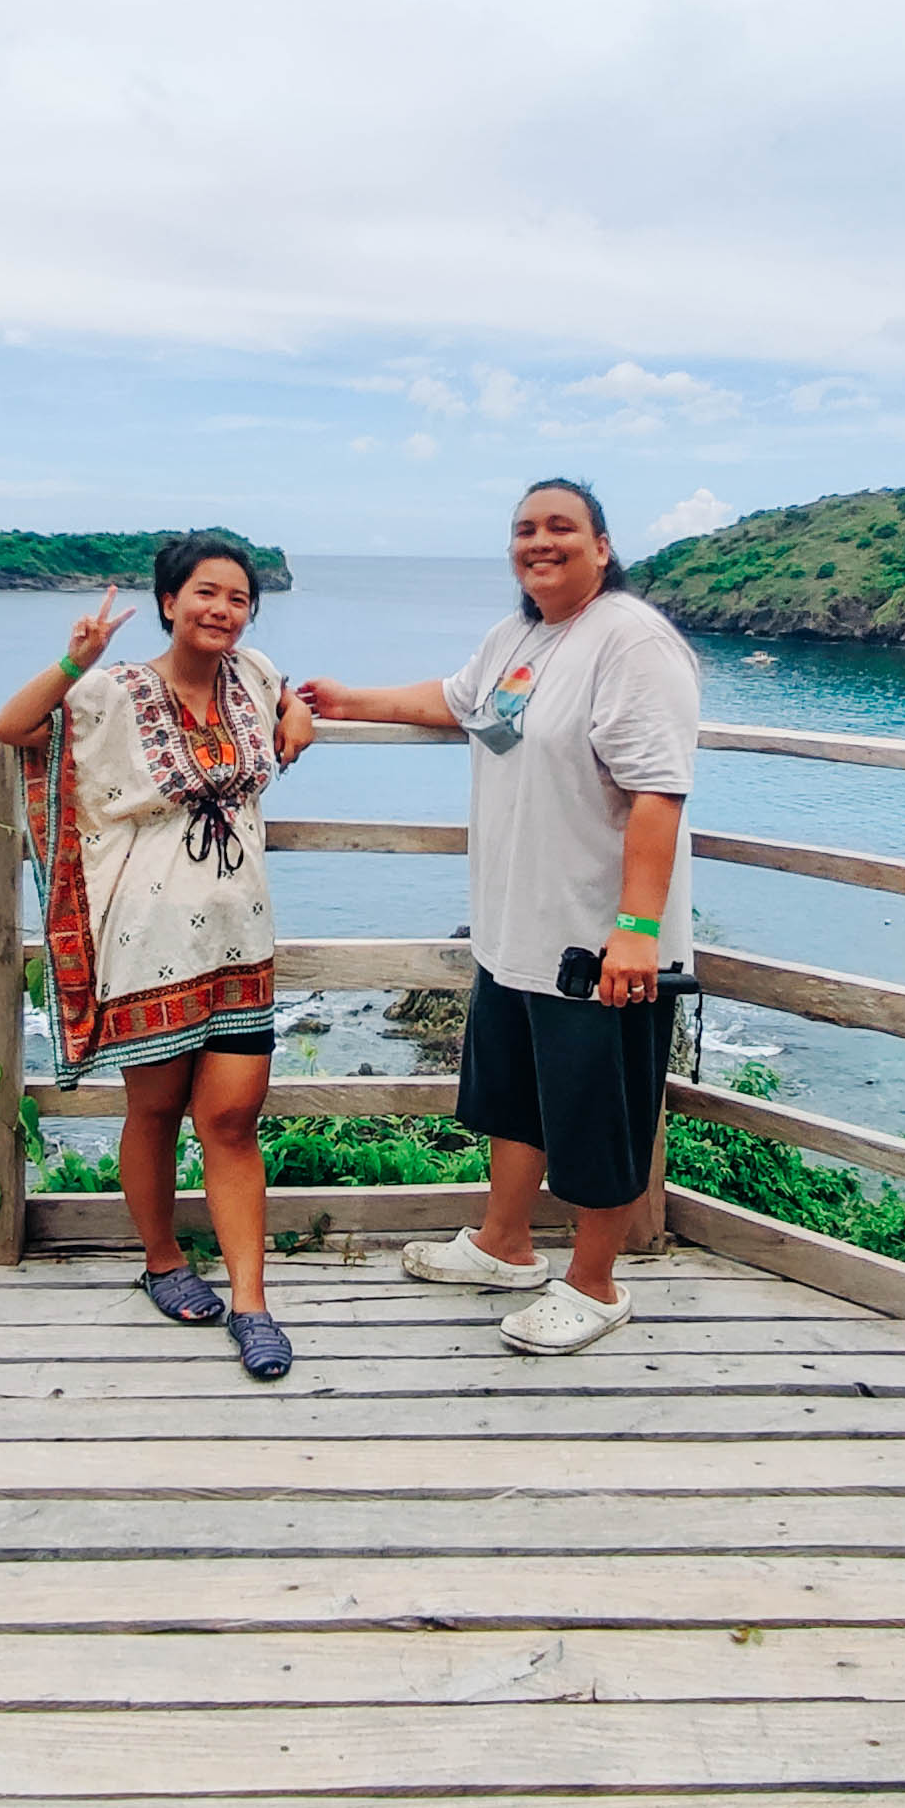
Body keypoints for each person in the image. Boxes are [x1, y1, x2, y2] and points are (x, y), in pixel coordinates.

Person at [298, 479, 698, 1355]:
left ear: (602, 545)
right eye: (525, 529)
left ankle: (594, 1283)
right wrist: (347, 699)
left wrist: (636, 931)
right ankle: (504, 1244)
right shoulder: (519, 636)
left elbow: (658, 792)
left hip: (596, 939)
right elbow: (458, 702)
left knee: (600, 1112)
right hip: (519, 925)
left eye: (561, 527)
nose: (539, 542)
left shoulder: (630, 641)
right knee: (515, 1098)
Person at [0, 534, 314, 1379]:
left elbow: (291, 694)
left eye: (238, 598)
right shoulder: (114, 691)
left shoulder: (255, 676)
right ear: (170, 601)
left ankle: (252, 1303)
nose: (222, 610)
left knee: (233, 1119)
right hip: (149, 942)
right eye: (206, 592)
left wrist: (299, 713)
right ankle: (164, 1260)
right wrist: (75, 658)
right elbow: (12, 727)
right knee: (158, 1110)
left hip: (243, 940)